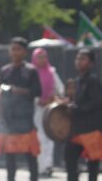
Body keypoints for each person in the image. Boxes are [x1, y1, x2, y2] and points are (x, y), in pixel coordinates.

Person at [0, 37, 41, 181]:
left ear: (25, 52)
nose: (15, 52)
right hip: (9, 120)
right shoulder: (5, 70)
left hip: (25, 119)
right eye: (12, 49)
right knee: (10, 160)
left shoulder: (31, 71)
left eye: (18, 49)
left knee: (31, 157)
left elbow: (37, 92)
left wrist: (17, 90)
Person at [64, 49, 102, 181]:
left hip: (91, 129)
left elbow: (96, 102)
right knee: (69, 159)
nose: (79, 61)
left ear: (91, 63)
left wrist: (76, 108)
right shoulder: (76, 81)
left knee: (92, 166)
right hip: (77, 129)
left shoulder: (93, 81)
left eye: (83, 59)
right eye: (78, 58)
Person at [30, 47, 63, 177]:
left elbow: (60, 89)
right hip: (35, 109)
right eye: (39, 57)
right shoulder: (31, 72)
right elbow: (29, 92)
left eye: (44, 57)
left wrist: (52, 98)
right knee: (39, 137)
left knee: (49, 137)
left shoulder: (52, 72)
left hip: (50, 109)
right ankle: (39, 166)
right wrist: (38, 100)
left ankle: (48, 166)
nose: (42, 59)